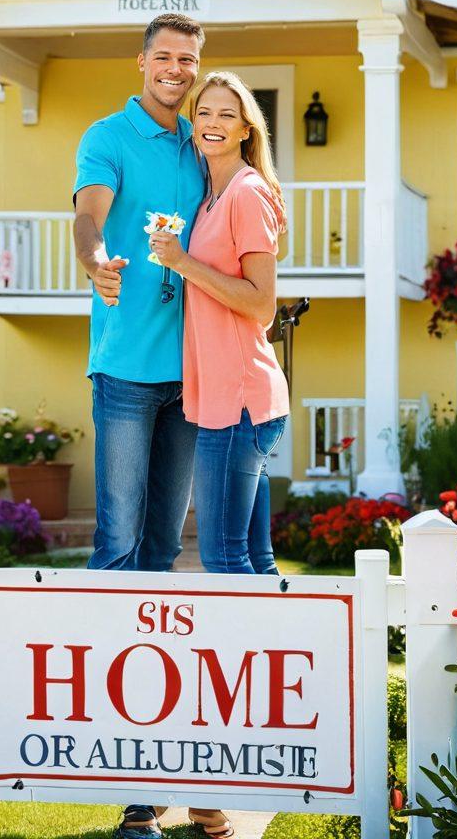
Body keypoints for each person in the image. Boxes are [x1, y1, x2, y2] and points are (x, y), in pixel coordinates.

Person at [74, 15, 234, 839]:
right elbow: (89, 215)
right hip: (128, 379)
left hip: (195, 379)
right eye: (165, 58)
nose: (176, 71)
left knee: (165, 552)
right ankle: (117, 751)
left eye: (189, 60)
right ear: (141, 62)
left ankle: (163, 750)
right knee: (115, 544)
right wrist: (96, 259)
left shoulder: (201, 146)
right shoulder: (108, 136)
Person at [149, 71, 289, 576]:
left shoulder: (247, 194)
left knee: (223, 558)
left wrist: (184, 263)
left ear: (246, 129)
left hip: (241, 400)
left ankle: (255, 653)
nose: (213, 123)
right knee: (253, 559)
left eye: (227, 114)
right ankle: (282, 649)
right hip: (225, 401)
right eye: (204, 113)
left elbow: (261, 305)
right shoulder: (210, 198)